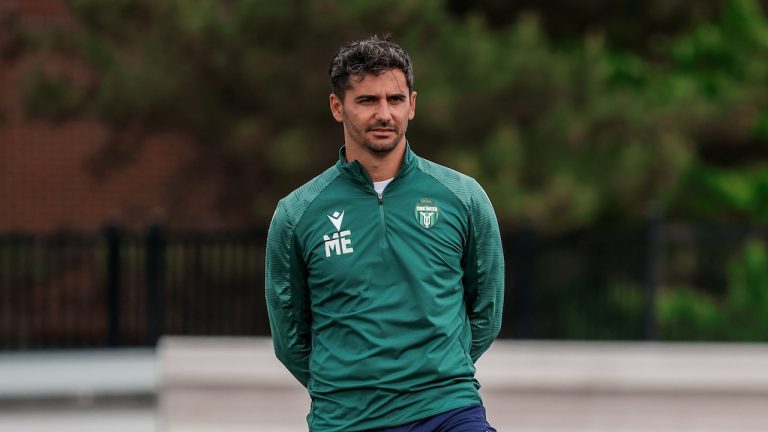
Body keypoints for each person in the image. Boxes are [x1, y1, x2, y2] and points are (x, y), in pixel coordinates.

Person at [265, 35, 504, 432]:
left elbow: (487, 312)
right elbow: (290, 337)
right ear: (337, 107)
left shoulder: (463, 197)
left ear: (412, 104)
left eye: (395, 99)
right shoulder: (297, 213)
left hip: (448, 410)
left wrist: (434, 372)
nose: (384, 113)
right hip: (347, 419)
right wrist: (351, 386)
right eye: (367, 100)